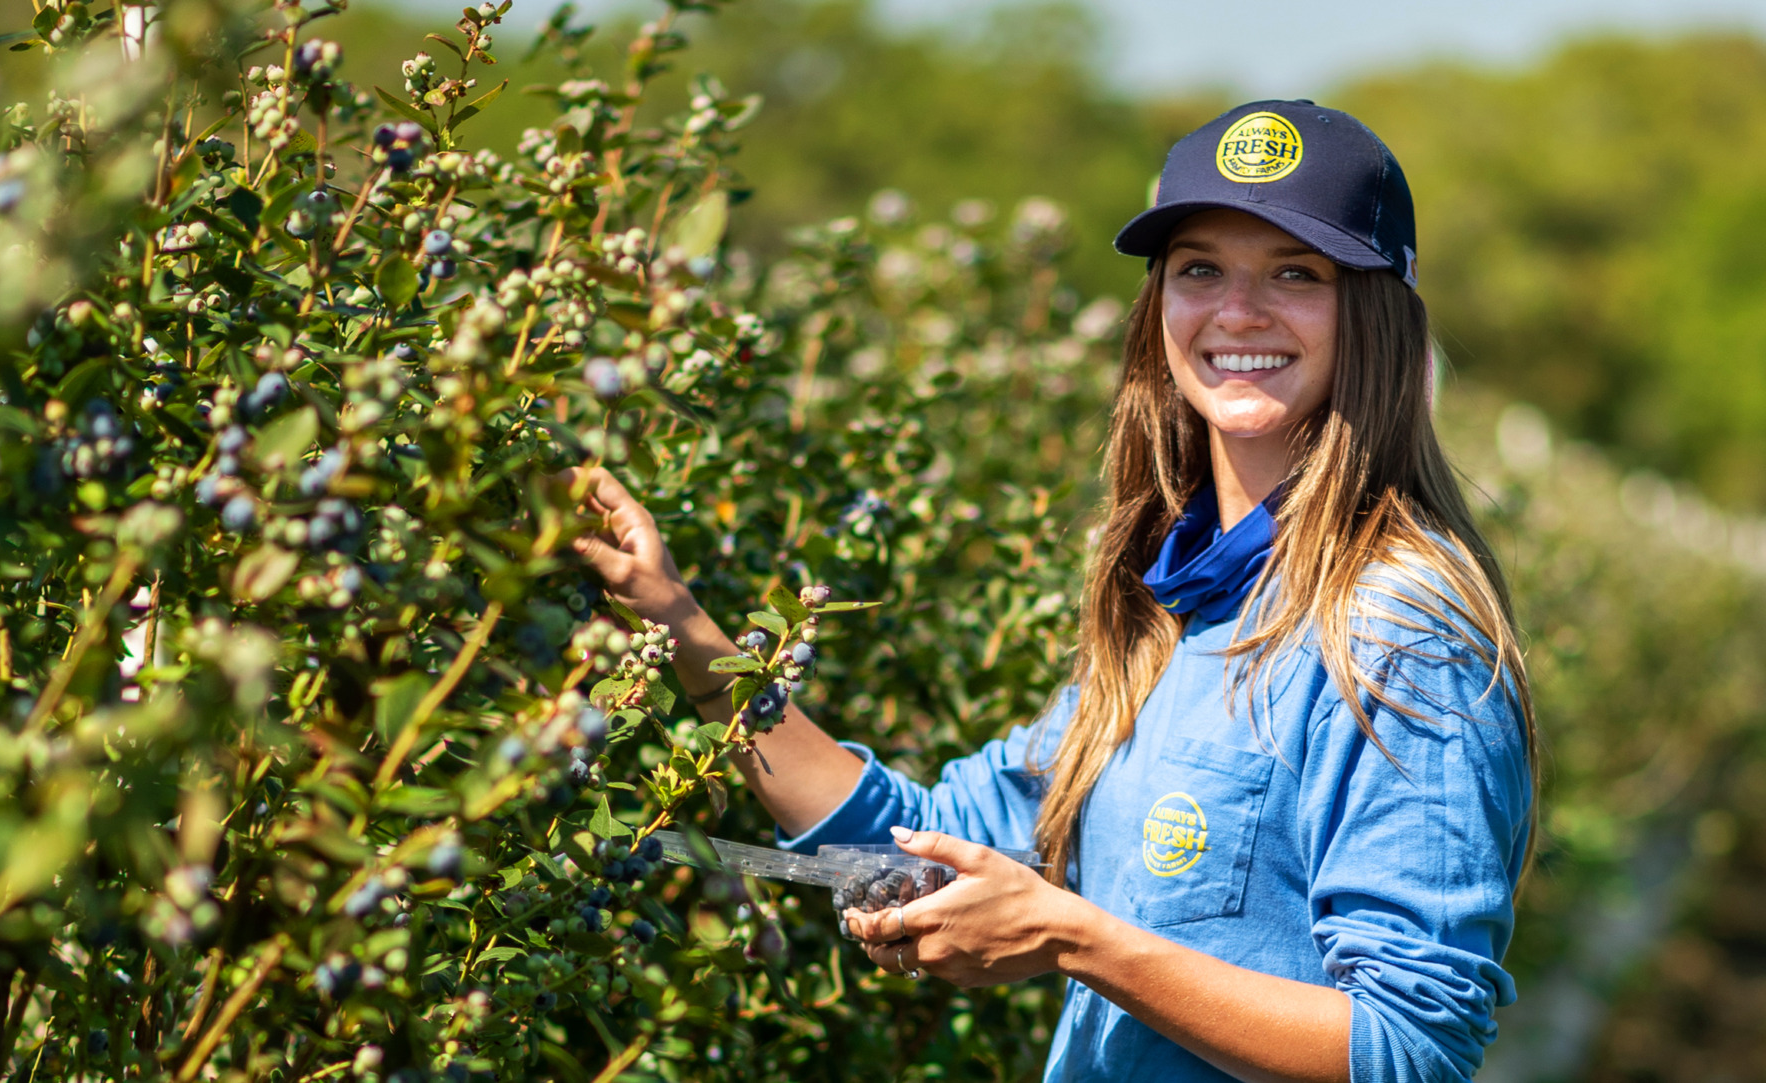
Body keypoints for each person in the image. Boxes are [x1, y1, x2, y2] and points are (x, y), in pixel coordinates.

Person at [565, 99, 1535, 1083]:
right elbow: (920, 843)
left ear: (1374, 312)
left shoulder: (1398, 631)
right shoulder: (1180, 603)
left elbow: (1408, 1048)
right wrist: (678, 623)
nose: (1238, 311)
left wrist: (1075, 943)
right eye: (1200, 268)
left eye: (1297, 273)